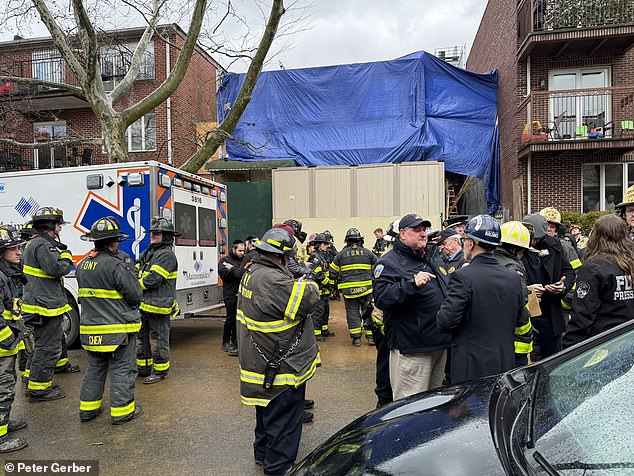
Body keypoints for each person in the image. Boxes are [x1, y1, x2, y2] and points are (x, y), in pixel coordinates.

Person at [236, 227, 320, 476]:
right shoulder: (272, 280)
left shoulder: (252, 272)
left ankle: (262, 455)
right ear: (284, 257)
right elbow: (308, 299)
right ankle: (278, 467)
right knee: (284, 422)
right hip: (282, 370)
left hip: (259, 365)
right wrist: (307, 283)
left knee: (264, 413)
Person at [437, 215, 528, 384]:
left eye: (464, 240)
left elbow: (445, 321)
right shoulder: (512, 278)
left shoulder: (462, 277)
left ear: (471, 243)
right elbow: (520, 319)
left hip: (470, 366)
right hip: (504, 361)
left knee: (470, 409)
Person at [373, 214, 450, 400]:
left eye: (424, 230)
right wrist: (411, 284)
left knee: (432, 402)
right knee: (409, 405)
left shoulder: (430, 257)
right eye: (416, 230)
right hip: (413, 348)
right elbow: (382, 298)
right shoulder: (389, 262)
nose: (423, 234)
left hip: (439, 344)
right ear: (402, 234)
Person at [76, 217, 144, 424]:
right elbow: (135, 296)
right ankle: (122, 412)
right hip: (117, 331)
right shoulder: (116, 266)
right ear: (114, 242)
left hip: (90, 331)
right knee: (123, 369)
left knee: (95, 369)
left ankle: (88, 410)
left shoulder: (82, 265)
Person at [22, 207, 73, 402]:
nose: (60, 229)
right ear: (51, 225)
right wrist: (66, 256)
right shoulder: (43, 245)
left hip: (38, 304)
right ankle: (39, 390)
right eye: (59, 225)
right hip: (45, 306)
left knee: (40, 345)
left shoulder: (34, 243)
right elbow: (56, 268)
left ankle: (34, 381)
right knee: (48, 347)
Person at [563, 215, 634, 347]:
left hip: (604, 345)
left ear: (598, 236)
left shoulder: (594, 267)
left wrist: (567, 349)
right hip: (629, 341)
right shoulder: (630, 264)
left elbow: (582, 316)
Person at [521, 213, 574, 359]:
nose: (533, 242)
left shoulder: (554, 245)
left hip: (550, 315)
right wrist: (527, 289)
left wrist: (562, 286)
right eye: (531, 238)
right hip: (526, 314)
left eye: (537, 239)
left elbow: (568, 271)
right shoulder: (515, 246)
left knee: (552, 360)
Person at [136, 217, 180, 384]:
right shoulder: (149, 252)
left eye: (157, 233)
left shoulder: (166, 255)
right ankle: (143, 368)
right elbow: (137, 268)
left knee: (158, 339)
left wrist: (134, 286)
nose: (153, 235)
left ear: (167, 236)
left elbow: (153, 279)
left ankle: (160, 371)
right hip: (145, 304)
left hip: (159, 306)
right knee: (142, 338)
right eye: (152, 232)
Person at [0, 226, 28, 452]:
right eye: (13, 248)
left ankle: (4, 423)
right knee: (3, 389)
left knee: (8, 386)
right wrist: (10, 340)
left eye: (19, 247)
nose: (19, 252)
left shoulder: (7, 273)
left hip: (7, 347)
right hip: (2, 348)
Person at [491, 221, 534, 366]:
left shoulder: (489, 261)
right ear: (517, 250)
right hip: (515, 342)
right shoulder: (512, 267)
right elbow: (520, 301)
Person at [329, 228, 378, 346]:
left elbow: (332, 273)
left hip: (349, 291)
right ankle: (371, 337)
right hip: (367, 290)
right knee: (368, 311)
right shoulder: (368, 253)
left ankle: (356, 339)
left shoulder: (340, 255)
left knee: (352, 314)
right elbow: (379, 267)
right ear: (360, 240)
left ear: (347, 241)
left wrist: (332, 285)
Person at [219, 240, 245, 356]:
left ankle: (235, 342)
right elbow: (224, 274)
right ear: (233, 249)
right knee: (231, 318)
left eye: (243, 250)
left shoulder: (243, 260)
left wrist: (233, 269)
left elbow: (242, 273)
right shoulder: (225, 260)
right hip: (230, 293)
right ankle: (226, 341)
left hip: (241, 292)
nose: (242, 253)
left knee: (238, 318)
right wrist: (236, 271)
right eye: (240, 250)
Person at [307, 233, 333, 341]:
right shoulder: (315, 257)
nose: (327, 246)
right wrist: (328, 283)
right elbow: (317, 273)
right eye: (325, 244)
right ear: (319, 244)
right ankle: (316, 334)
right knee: (318, 312)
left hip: (325, 290)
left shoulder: (323, 255)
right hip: (319, 289)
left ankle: (324, 330)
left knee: (325, 311)